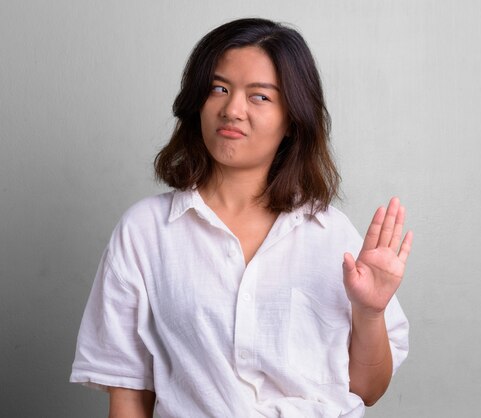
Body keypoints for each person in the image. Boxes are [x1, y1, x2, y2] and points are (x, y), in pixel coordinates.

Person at [70, 17, 412, 418]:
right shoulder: (144, 232)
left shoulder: (333, 235)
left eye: (260, 97)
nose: (232, 110)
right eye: (219, 89)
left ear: (292, 119)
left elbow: (368, 390)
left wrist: (369, 312)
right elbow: (128, 395)